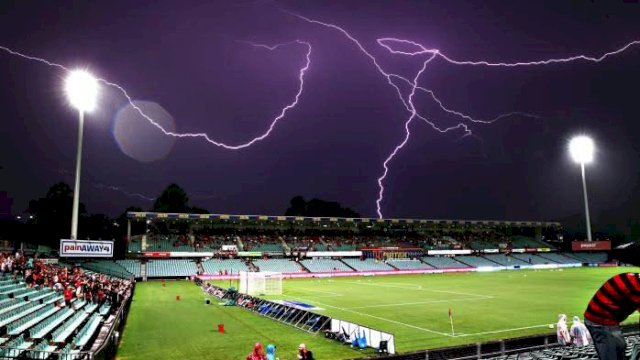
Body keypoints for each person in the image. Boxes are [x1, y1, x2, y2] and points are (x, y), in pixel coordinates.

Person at [584, 242, 640, 360]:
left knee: (620, 346)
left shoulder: (632, 278)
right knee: (613, 354)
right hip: (600, 322)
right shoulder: (636, 288)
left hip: (603, 318)